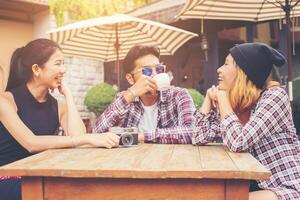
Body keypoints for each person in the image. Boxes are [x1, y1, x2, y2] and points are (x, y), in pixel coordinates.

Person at [0, 39, 119, 200]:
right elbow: (31, 143)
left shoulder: (59, 106)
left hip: (39, 176)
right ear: (36, 69)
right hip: (8, 179)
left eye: (64, 64)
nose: (63, 70)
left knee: (87, 189)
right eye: (58, 64)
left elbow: (78, 137)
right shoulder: (6, 101)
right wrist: (88, 138)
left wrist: (68, 95)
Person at [193, 42, 300, 200]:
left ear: (243, 72)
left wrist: (222, 98)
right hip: (256, 185)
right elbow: (199, 137)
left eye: (226, 63)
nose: (219, 69)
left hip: (287, 187)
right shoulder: (235, 104)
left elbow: (238, 142)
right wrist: (208, 100)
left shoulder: (275, 97)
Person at [93, 45, 196, 143]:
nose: (155, 74)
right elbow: (97, 132)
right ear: (130, 78)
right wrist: (131, 93)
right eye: (146, 71)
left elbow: (194, 131)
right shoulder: (125, 99)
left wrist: (140, 136)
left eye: (159, 69)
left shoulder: (179, 95)